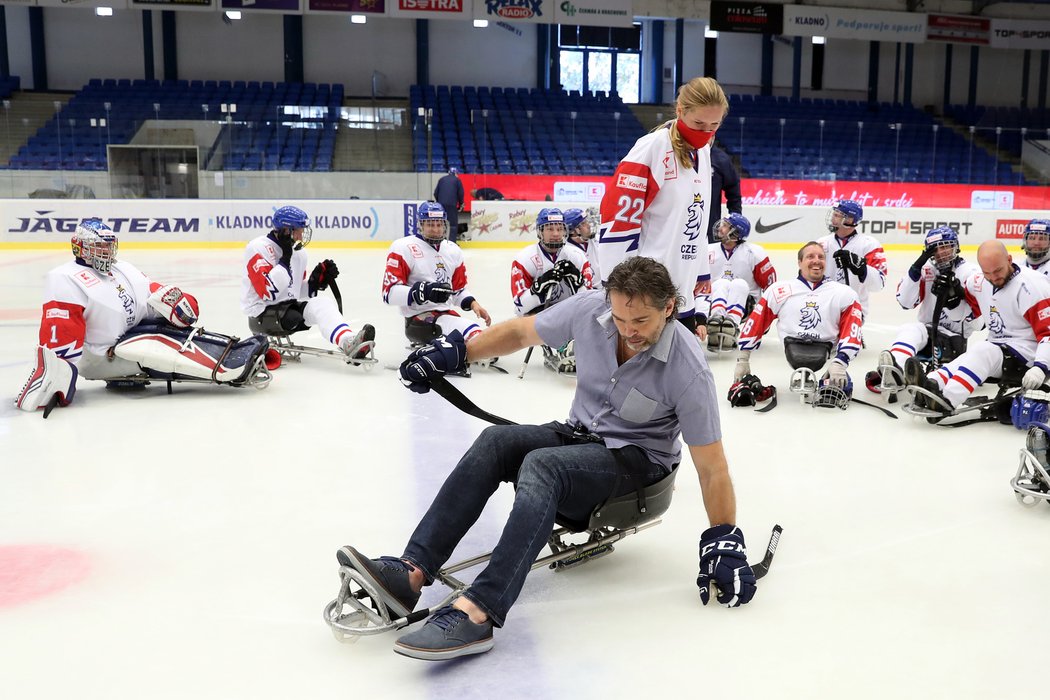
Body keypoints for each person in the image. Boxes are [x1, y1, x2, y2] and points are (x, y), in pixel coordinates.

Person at [338, 257, 755, 661]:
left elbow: (712, 466)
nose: (628, 331)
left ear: (669, 308)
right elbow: (521, 333)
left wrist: (724, 537)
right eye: (620, 318)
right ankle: (412, 571)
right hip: (580, 435)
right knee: (496, 441)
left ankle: (479, 609)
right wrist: (458, 355)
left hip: (639, 468)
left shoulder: (688, 368)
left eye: (641, 321)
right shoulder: (592, 309)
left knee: (543, 465)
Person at [16, 219, 268, 414]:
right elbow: (62, 336)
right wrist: (54, 383)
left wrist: (175, 303)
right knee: (154, 338)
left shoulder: (122, 267)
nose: (106, 251)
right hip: (103, 355)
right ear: (80, 247)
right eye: (99, 246)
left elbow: (150, 291)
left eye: (108, 245)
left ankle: (229, 349)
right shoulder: (66, 278)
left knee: (164, 330)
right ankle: (224, 366)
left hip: (132, 334)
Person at [598, 76, 728, 338]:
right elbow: (617, 219)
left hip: (683, 290)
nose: (706, 132)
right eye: (699, 123)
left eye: (714, 125)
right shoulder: (652, 148)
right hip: (645, 292)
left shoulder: (702, 152)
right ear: (680, 111)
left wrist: (700, 272)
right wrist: (617, 286)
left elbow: (698, 220)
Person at [904, 240, 1050, 414]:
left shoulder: (1034, 288)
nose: (994, 278)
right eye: (988, 272)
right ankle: (931, 382)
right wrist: (952, 300)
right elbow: (965, 318)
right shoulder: (978, 283)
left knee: (983, 351)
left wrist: (1041, 367)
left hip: (1028, 359)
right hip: (999, 348)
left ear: (1009, 260)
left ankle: (947, 399)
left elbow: (1048, 334)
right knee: (973, 354)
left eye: (998, 270)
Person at [733, 242, 863, 408]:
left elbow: (851, 329)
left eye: (821, 257)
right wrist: (743, 359)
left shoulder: (843, 293)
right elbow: (756, 323)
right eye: (810, 256)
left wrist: (841, 361)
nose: (816, 260)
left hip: (827, 348)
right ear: (799, 262)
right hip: (792, 345)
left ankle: (830, 374)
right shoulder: (779, 290)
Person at [241, 205, 375, 363]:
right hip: (261, 313)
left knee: (322, 303)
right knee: (292, 316)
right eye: (298, 230)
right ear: (286, 230)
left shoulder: (298, 254)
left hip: (286, 309)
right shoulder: (259, 248)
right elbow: (269, 292)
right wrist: (284, 259)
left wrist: (315, 283)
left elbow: (293, 292)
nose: (301, 235)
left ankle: (348, 342)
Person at [864, 227, 981, 393]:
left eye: (945, 246)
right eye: (935, 249)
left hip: (954, 339)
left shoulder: (971, 272)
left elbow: (980, 321)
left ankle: (918, 375)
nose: (941, 252)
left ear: (955, 246)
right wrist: (915, 269)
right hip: (927, 334)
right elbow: (905, 302)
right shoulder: (926, 270)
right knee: (910, 328)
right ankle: (894, 369)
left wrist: (958, 294)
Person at [383, 201, 491, 346]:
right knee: (473, 334)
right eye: (430, 224)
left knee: (477, 334)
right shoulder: (403, 247)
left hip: (445, 316)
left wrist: (473, 304)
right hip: (417, 319)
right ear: (421, 225)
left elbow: (458, 291)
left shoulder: (452, 249)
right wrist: (424, 291)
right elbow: (389, 294)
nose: (436, 229)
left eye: (439, 224)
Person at [697, 213, 776, 351]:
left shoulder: (755, 253)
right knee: (721, 283)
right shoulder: (707, 251)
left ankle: (731, 324)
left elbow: (771, 288)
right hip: (712, 301)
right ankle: (716, 321)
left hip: (747, 305)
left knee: (739, 284)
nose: (720, 228)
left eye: (726, 226)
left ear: (736, 233)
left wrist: (764, 320)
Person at [511, 207, 593, 316]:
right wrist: (537, 289)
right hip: (535, 320)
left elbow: (589, 303)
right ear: (540, 232)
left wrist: (579, 284)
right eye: (550, 229)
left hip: (569, 317)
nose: (556, 234)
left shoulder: (577, 256)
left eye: (559, 229)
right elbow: (520, 307)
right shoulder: (524, 259)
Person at [816, 199, 887, 320]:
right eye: (834, 214)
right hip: (823, 306)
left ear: (850, 220)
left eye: (838, 215)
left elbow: (878, 284)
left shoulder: (869, 245)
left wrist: (861, 268)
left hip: (854, 309)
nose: (833, 218)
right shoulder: (821, 243)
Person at [707, 145, 742, 244]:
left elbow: (733, 192)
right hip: (679, 224)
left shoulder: (720, 159)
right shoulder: (681, 153)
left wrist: (734, 222)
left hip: (710, 228)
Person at [564, 207, 600, 281]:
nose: (589, 225)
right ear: (573, 231)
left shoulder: (597, 240)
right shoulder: (566, 252)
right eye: (583, 224)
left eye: (587, 221)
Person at [434, 168, 465, 243]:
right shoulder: (457, 180)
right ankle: (451, 244)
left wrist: (439, 203)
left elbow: (435, 193)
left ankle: (440, 242)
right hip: (452, 205)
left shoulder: (441, 179)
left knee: (441, 223)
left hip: (441, 205)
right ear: (456, 173)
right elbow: (461, 193)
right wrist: (461, 204)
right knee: (453, 225)